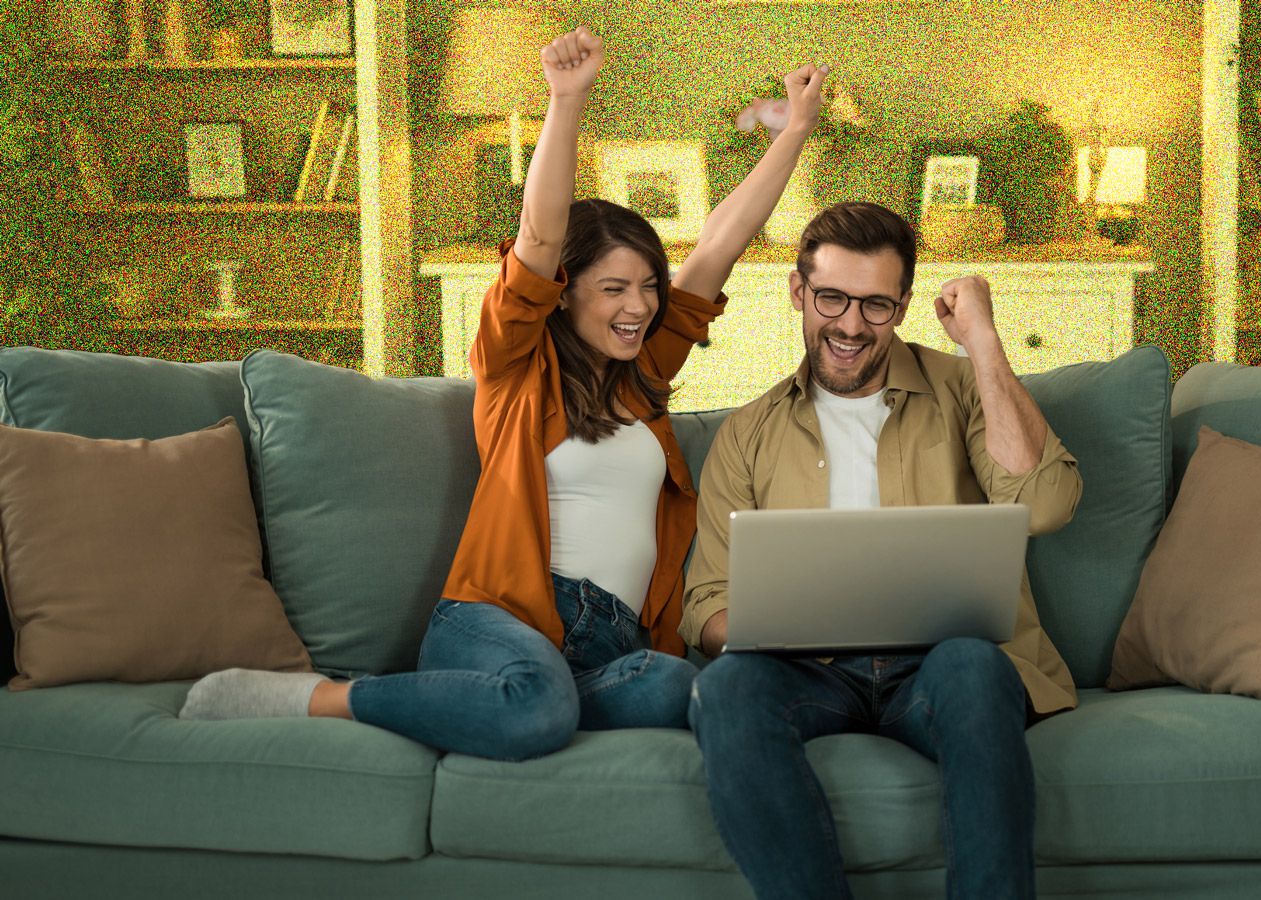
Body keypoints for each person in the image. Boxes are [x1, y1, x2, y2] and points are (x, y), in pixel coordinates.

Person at [180, 25, 833, 762]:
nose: (639, 306)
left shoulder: (644, 375)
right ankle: (317, 698)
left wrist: (797, 130)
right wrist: (566, 101)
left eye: (648, 287)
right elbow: (541, 239)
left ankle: (504, 703)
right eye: (614, 288)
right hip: (499, 618)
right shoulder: (514, 369)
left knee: (682, 689)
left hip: (612, 639)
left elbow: (718, 244)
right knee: (535, 709)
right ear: (562, 295)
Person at [680, 201, 1083, 899]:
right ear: (797, 292)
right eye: (831, 297)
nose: (849, 325)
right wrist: (777, 622)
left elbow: (1042, 503)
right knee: (726, 686)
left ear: (903, 307)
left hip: (941, 668)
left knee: (972, 664)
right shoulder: (747, 434)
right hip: (809, 674)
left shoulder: (963, 389)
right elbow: (705, 604)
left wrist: (983, 344)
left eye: (877, 306)